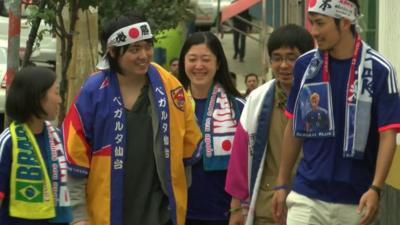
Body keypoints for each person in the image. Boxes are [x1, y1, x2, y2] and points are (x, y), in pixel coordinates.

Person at [62, 13, 202, 225]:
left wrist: (179, 193)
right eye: (134, 49)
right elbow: (75, 153)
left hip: (159, 209)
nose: (144, 55)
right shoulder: (93, 91)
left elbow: (188, 145)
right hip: (107, 208)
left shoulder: (169, 85)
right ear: (113, 52)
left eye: (147, 47)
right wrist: (79, 215)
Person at [272, 1, 400, 225]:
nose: (313, 31)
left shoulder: (380, 70)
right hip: (306, 197)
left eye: (320, 23)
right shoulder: (306, 65)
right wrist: (282, 183)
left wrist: (375, 188)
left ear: (345, 22)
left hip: (356, 200)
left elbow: (388, 134)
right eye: (312, 23)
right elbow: (295, 128)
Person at [225, 24, 314, 225]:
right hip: (267, 208)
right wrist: (236, 208)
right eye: (277, 58)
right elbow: (240, 157)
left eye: (292, 58)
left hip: (310, 207)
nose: (284, 65)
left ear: (308, 59)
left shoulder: (320, 99)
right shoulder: (258, 99)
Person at [178, 31, 245, 225]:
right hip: (179, 213)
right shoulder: (170, 105)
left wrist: (237, 207)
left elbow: (245, 162)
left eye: (206, 59)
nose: (199, 66)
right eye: (192, 59)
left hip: (225, 213)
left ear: (218, 64)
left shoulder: (238, 107)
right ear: (184, 62)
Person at [0, 66, 72, 225]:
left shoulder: (57, 138)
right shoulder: (9, 141)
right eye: (56, 93)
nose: (60, 100)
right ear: (39, 97)